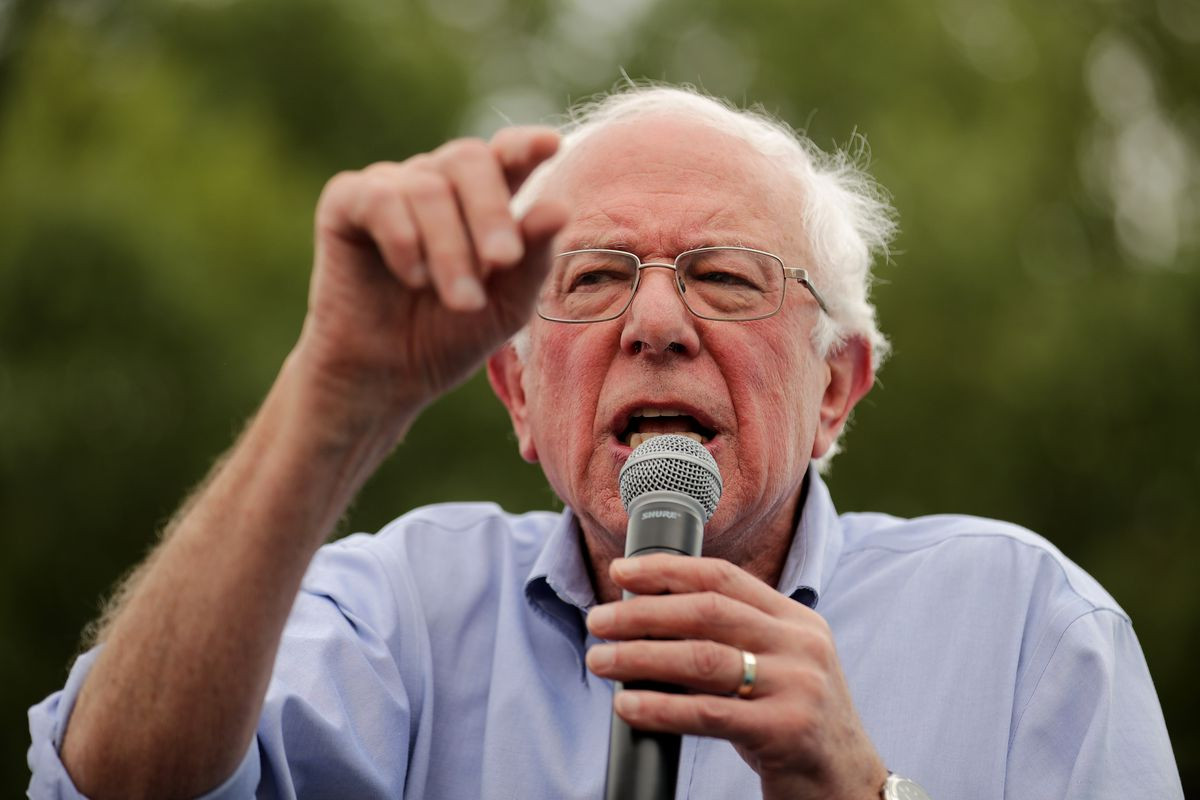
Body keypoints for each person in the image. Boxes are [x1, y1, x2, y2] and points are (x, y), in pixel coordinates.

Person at [28, 85, 1181, 800]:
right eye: (593, 278)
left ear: (837, 387)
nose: (659, 323)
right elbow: (112, 783)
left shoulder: (1030, 624)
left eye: (726, 277)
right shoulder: (404, 617)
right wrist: (332, 395)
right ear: (519, 396)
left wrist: (865, 791)